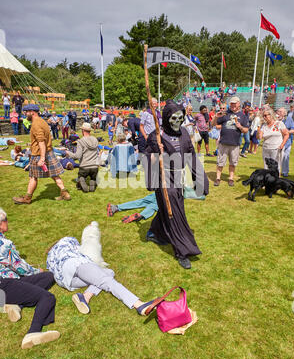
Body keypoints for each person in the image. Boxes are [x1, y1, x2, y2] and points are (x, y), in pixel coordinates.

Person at [143, 99, 209, 269]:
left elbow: (191, 157)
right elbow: (147, 158)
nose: (177, 121)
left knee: (169, 208)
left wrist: (200, 180)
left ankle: (155, 232)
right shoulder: (156, 136)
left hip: (178, 179)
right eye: (173, 118)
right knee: (176, 214)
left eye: (180, 118)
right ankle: (183, 250)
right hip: (163, 180)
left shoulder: (185, 134)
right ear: (166, 118)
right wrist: (157, 153)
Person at [46, 232, 159, 316]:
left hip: (67, 281)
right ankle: (138, 304)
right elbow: (83, 251)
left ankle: (84, 297)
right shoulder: (67, 240)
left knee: (109, 272)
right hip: (75, 264)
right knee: (106, 280)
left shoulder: (49, 259)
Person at [0, 208, 60, 349]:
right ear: (1, 224)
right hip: (5, 284)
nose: (8, 223)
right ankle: (33, 332)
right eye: (6, 220)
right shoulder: (5, 244)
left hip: (6, 284)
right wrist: (35, 271)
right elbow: (19, 266)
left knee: (49, 276)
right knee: (48, 297)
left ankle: (17, 305)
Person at [13, 104, 71, 204]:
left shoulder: (36, 124)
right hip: (49, 152)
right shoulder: (42, 121)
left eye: (26, 112)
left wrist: (42, 158)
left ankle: (27, 198)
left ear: (32, 112)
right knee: (55, 175)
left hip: (39, 154)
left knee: (33, 177)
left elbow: (41, 141)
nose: (25, 114)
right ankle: (65, 193)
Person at [211, 96, 249, 187]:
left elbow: (246, 130)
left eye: (234, 103)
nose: (232, 105)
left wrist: (240, 126)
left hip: (235, 144)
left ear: (239, 104)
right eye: (231, 103)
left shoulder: (243, 116)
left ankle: (231, 179)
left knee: (233, 162)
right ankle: (218, 178)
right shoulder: (225, 114)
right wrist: (216, 117)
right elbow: (213, 124)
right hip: (223, 143)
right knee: (220, 162)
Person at [65, 122, 99, 192]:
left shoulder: (81, 141)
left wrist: (68, 152)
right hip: (95, 166)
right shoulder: (95, 140)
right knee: (93, 177)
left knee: (81, 176)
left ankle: (81, 179)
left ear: (83, 131)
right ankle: (92, 182)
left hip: (85, 166)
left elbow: (77, 156)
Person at [276, 107, 294, 177]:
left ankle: (285, 172)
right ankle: (276, 171)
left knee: (286, 157)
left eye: (280, 112)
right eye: (278, 111)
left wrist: (286, 132)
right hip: (278, 142)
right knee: (277, 157)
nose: (279, 113)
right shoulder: (275, 120)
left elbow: (293, 130)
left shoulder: (289, 119)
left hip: (287, 142)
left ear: (284, 113)